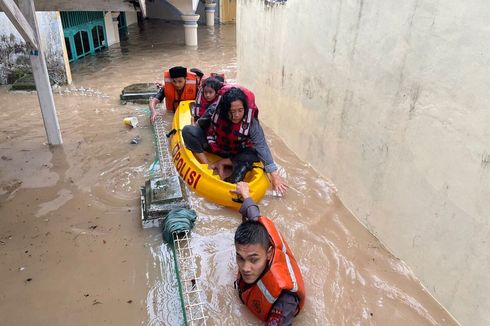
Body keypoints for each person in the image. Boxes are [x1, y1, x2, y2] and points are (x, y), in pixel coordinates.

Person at [182, 87, 288, 194]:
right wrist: (194, 126)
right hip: (214, 144)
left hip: (235, 153)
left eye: (240, 110)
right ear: (225, 110)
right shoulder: (215, 110)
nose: (237, 115)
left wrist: (274, 176)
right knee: (188, 131)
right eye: (232, 111)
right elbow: (200, 125)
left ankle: (222, 163)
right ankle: (209, 164)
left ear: (244, 109)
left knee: (254, 153)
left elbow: (262, 146)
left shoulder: (251, 123)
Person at [231, 182, 305, 325]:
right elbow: (254, 215)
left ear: (269, 253)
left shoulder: (284, 301)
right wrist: (245, 193)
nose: (245, 268)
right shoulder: (258, 236)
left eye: (254, 260)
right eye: (240, 258)